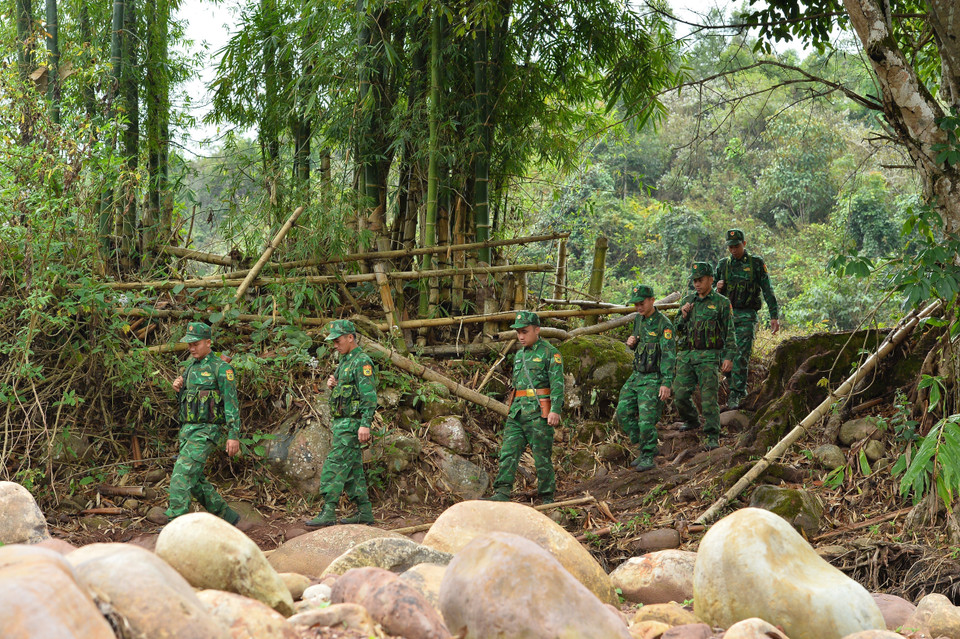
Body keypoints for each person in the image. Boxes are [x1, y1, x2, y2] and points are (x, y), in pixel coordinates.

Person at [162, 322, 243, 525]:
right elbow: (190, 402)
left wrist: (233, 435)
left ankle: (175, 524)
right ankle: (228, 517)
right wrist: (178, 388)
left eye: (195, 344)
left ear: (208, 342)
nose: (191, 348)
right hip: (188, 431)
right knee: (195, 481)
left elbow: (231, 403)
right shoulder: (189, 369)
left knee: (181, 475)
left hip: (207, 431)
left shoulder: (222, 369)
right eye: (189, 344)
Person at [306, 319, 378, 527]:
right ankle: (364, 511)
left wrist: (365, 424)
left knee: (334, 464)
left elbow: (369, 396)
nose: (335, 346)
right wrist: (333, 385)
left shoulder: (361, 361)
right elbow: (347, 392)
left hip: (352, 424)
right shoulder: (345, 361)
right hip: (342, 424)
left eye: (337, 341)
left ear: (350, 338)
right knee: (353, 469)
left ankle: (328, 510)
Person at [488, 310, 565, 504]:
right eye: (518, 332)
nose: (521, 336)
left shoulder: (550, 352)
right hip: (518, 411)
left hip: (539, 412)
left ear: (536, 330)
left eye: (525, 331)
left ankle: (547, 495)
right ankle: (502, 492)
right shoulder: (519, 355)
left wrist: (555, 410)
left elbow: (557, 384)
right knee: (508, 452)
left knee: (541, 456)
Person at [673, 263, 737, 449]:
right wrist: (683, 315)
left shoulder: (721, 303)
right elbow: (677, 328)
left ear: (711, 279)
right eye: (694, 280)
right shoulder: (688, 300)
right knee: (680, 394)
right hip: (687, 355)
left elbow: (730, 332)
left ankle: (712, 434)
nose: (697, 284)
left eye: (700, 280)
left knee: (709, 397)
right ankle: (692, 420)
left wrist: (729, 356)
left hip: (709, 355)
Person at [715, 228, 780, 409]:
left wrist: (773, 315)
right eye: (730, 247)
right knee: (723, 357)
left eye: (736, 246)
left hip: (746, 316)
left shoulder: (756, 264)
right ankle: (739, 390)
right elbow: (708, 292)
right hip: (726, 318)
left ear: (744, 244)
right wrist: (717, 288)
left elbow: (767, 290)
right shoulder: (723, 265)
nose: (733, 250)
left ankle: (736, 394)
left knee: (740, 355)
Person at [614, 284, 676, 471]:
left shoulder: (663, 324)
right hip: (637, 376)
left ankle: (648, 455)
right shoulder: (639, 320)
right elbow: (637, 341)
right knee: (623, 412)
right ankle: (644, 447)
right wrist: (632, 343)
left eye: (641, 303)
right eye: (635, 305)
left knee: (646, 419)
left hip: (653, 377)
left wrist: (666, 382)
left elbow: (668, 354)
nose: (638, 308)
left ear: (652, 300)